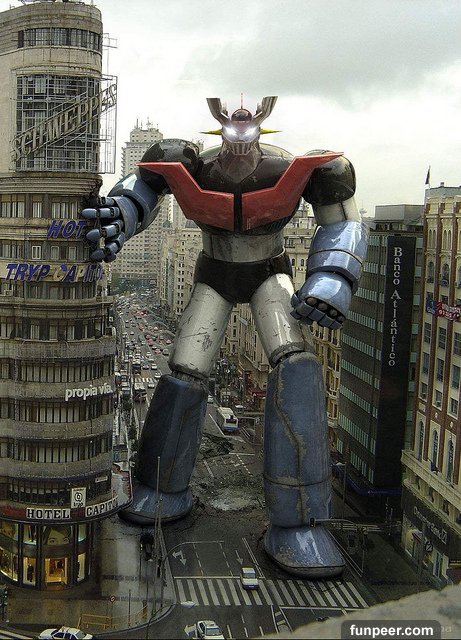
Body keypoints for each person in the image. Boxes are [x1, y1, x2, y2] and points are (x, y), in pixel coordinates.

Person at [82, 96, 368, 577]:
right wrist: (121, 216)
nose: (239, 132)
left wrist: (332, 278)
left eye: (248, 124)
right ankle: (161, 488)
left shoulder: (300, 169)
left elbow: (342, 222)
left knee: (297, 368)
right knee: (184, 374)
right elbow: (141, 190)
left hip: (269, 272)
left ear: (261, 123)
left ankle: (299, 521)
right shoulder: (190, 163)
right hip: (214, 273)